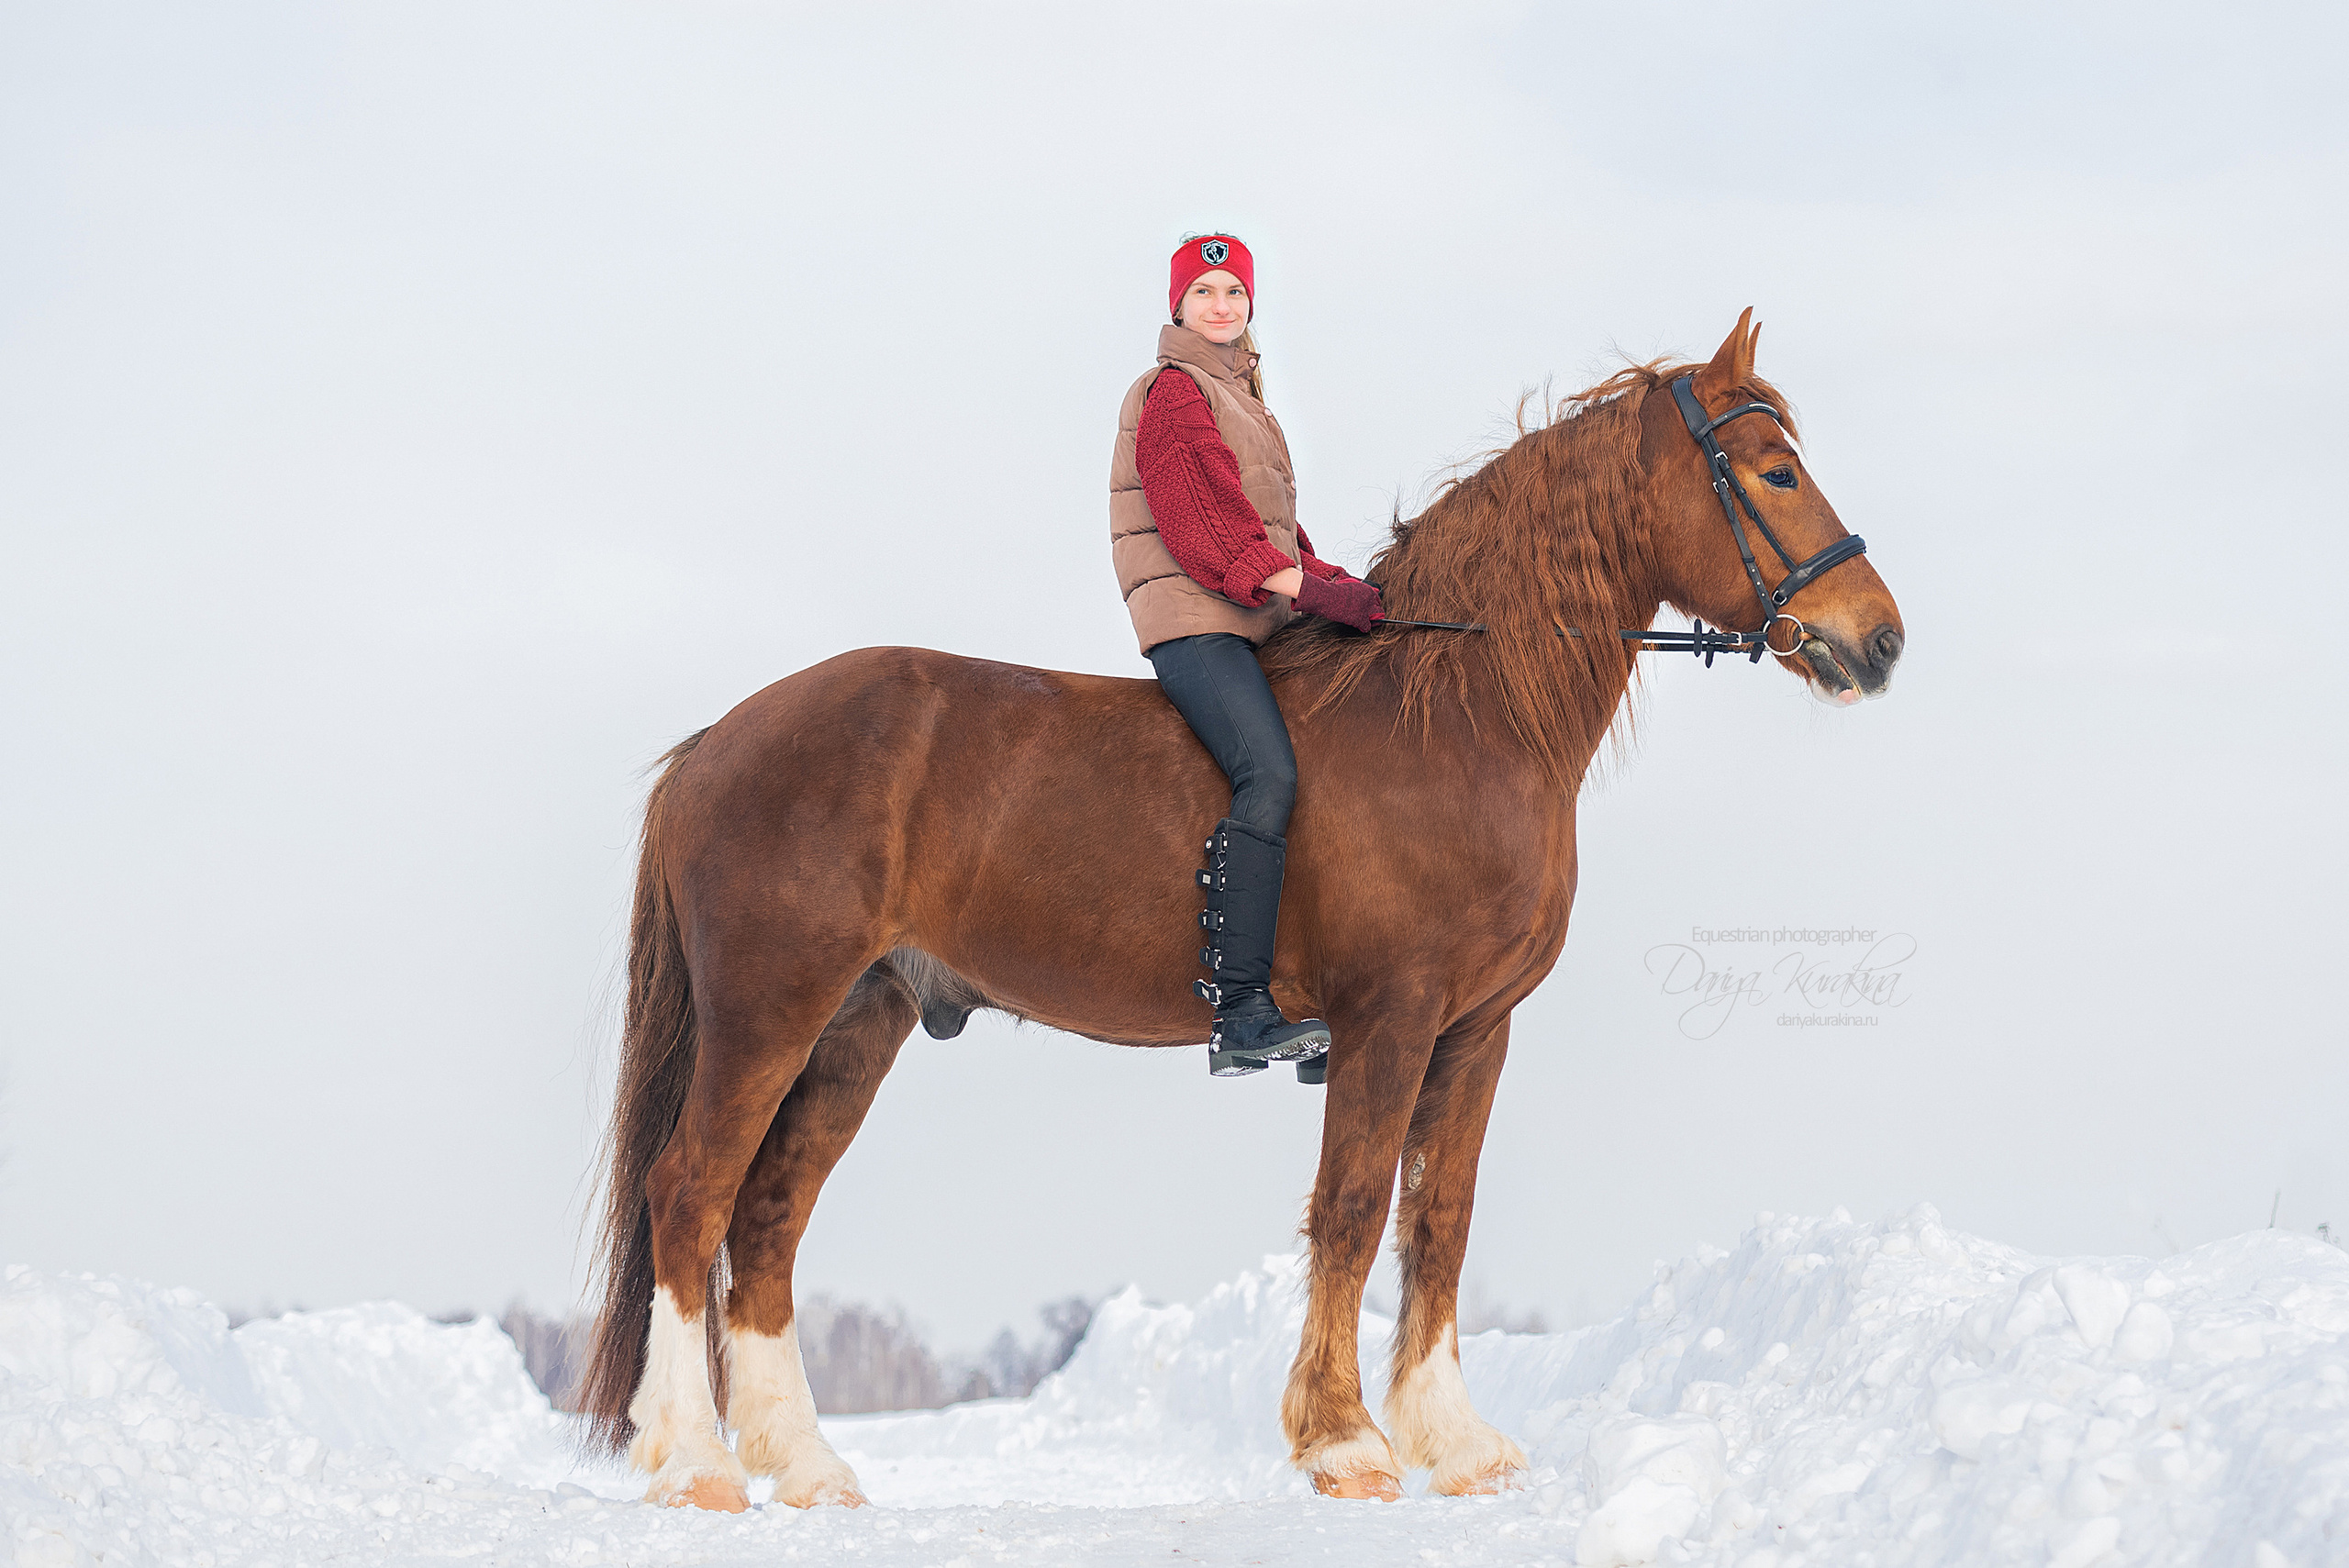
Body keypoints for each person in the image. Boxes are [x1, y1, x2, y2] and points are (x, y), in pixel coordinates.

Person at [1108, 234, 1385, 1078]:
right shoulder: (1176, 391)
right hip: (1197, 616)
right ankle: (1240, 1010)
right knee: (1269, 776)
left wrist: (1352, 588)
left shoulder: (1242, 395)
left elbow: (1271, 531)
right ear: (1178, 306)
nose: (1221, 305)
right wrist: (1309, 591)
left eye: (1234, 291)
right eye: (1205, 292)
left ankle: (1305, 1000)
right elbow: (1208, 531)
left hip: (1245, 614)